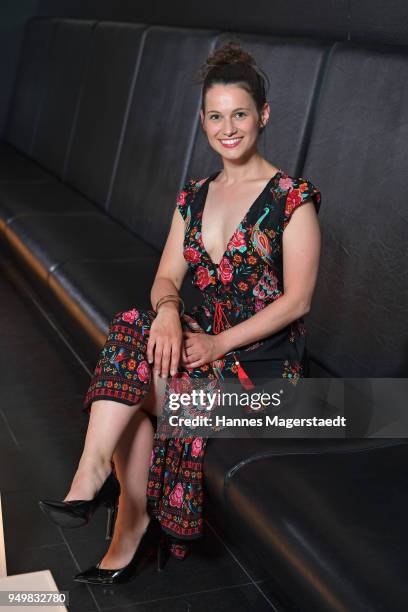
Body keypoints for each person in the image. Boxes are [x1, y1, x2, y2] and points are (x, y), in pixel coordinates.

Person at [38, 40, 321, 585]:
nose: (228, 127)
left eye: (239, 113)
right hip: (200, 347)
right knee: (137, 328)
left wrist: (217, 344)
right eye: (216, 116)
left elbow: (298, 301)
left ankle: (123, 513)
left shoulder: (293, 197)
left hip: (263, 369)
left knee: (134, 386)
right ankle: (97, 480)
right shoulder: (193, 195)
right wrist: (168, 311)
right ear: (202, 121)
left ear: (263, 115)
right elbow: (167, 277)